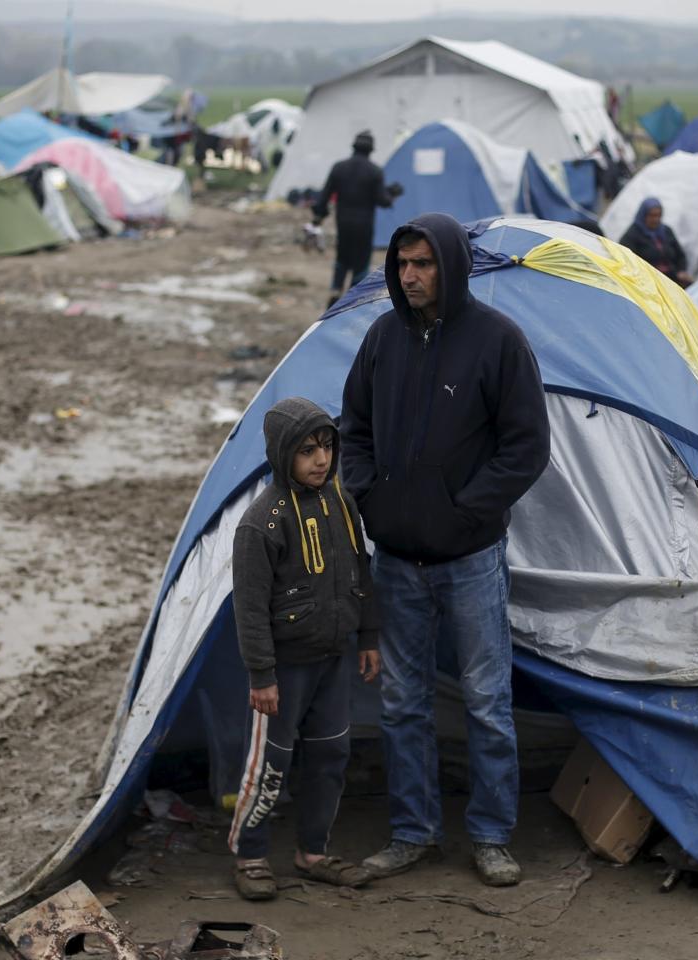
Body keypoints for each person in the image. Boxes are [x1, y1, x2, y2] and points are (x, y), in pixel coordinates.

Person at [341, 213, 551, 889]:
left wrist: (466, 509)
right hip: (396, 560)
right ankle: (413, 833)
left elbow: (527, 447)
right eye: (402, 264)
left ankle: (491, 836)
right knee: (403, 704)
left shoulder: (498, 341)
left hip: (470, 559)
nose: (410, 276)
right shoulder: (381, 339)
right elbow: (354, 429)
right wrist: (370, 496)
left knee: (488, 700)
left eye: (424, 264)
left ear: (452, 266)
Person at [227, 397, 383, 901]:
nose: (321, 460)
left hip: (334, 658)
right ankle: (250, 855)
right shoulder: (261, 523)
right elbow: (249, 608)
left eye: (327, 447)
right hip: (285, 671)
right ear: (281, 455)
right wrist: (261, 675)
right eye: (307, 451)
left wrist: (368, 637)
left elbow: (361, 573)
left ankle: (312, 852)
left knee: (331, 754)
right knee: (270, 763)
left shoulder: (342, 502)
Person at [313, 131, 395, 309]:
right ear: (371, 150)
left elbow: (324, 196)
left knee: (342, 256)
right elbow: (382, 200)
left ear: (354, 147)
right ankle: (352, 298)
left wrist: (318, 216)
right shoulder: (375, 171)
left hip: (343, 222)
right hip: (364, 225)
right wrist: (391, 195)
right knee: (361, 261)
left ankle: (335, 291)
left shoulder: (339, 167)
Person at [618, 198, 691, 285]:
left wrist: (681, 271)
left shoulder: (666, 231)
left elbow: (680, 255)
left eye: (658, 215)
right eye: (652, 215)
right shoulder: (633, 234)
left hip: (671, 278)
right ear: (643, 215)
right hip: (646, 281)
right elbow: (625, 259)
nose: (656, 219)